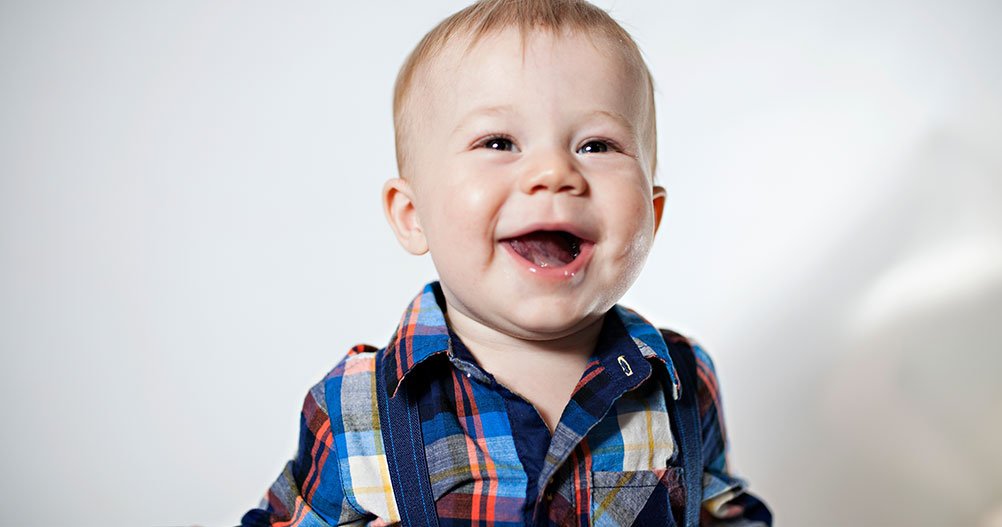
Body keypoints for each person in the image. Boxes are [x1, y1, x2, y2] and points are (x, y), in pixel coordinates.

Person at [241, 1, 771, 525]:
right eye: (499, 142)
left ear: (651, 218)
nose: (554, 171)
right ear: (412, 215)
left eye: (596, 144)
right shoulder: (356, 409)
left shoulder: (680, 379)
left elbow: (727, 516)